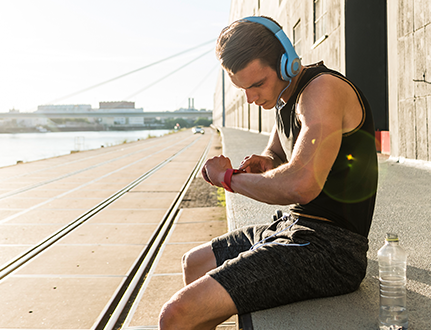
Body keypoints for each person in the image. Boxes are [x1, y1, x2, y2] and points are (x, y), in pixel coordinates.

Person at [159, 16, 378, 330]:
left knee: (175, 315)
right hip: (293, 227)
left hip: (331, 250)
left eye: (257, 84)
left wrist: (228, 179)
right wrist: (264, 161)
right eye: (243, 88)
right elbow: (276, 154)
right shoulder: (285, 98)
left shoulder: (322, 91)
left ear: (287, 62)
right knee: (194, 264)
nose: (251, 98)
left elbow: (302, 184)